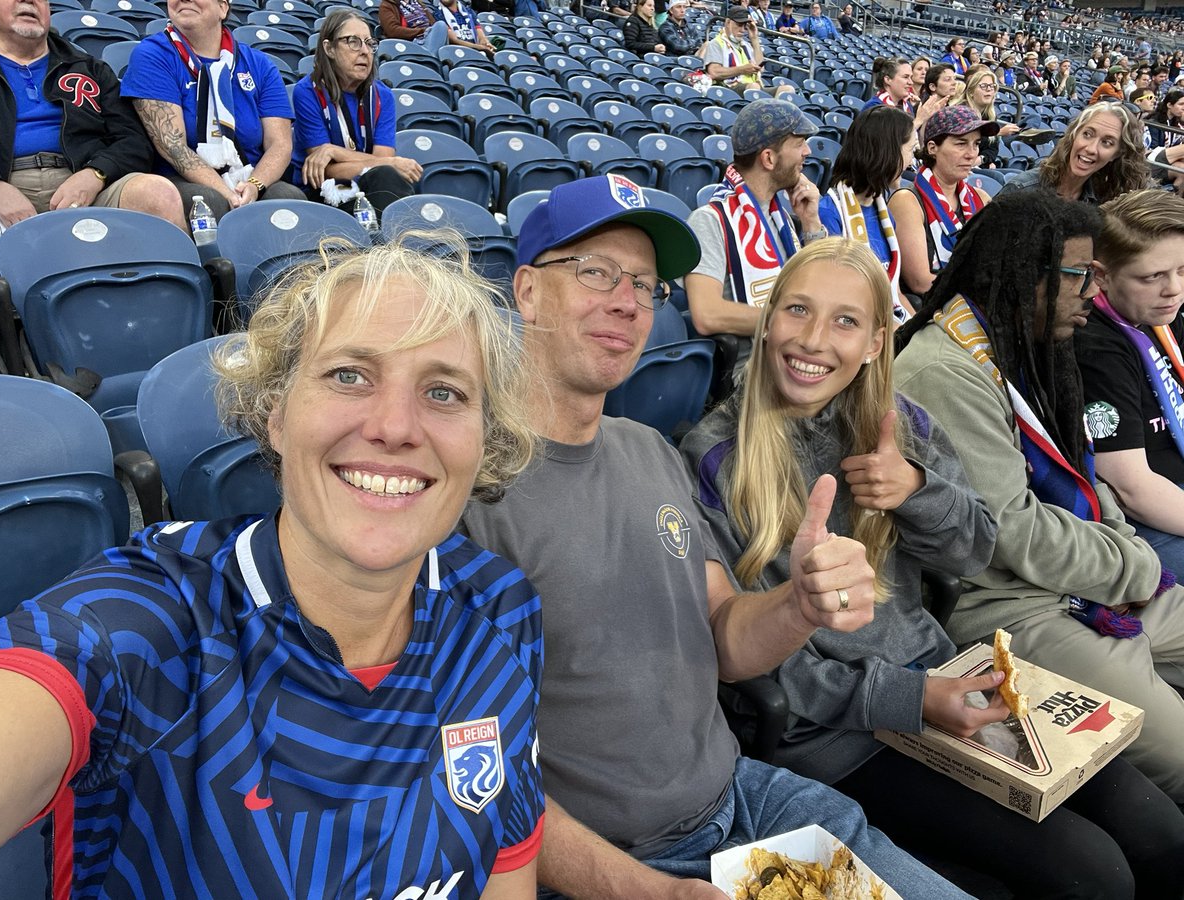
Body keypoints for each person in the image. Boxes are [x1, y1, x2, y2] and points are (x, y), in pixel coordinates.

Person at [460, 175, 972, 900]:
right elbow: (475, 778)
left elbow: (726, 636)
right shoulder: (466, 488)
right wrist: (654, 891)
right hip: (612, 862)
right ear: (527, 290)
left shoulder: (648, 452)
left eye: (644, 285)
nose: (626, 302)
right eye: (595, 272)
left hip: (750, 802)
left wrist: (799, 604)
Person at [0, 238, 545, 896]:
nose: (396, 426)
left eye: (444, 392)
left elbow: (507, 872)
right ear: (276, 414)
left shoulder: (501, 610)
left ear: (484, 439)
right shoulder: (144, 625)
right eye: (348, 376)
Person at [680, 237, 1184, 900]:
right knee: (1092, 875)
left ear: (874, 341)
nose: (813, 340)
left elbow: (971, 551)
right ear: (768, 319)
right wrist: (913, 700)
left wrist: (919, 491)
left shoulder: (899, 424)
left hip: (947, 677)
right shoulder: (710, 458)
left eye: (845, 321)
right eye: (797, 310)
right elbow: (756, 665)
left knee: (1160, 832)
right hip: (840, 736)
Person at [895, 188, 1184, 807]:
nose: (1092, 293)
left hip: (1084, 580)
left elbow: (1088, 481)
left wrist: (1125, 550)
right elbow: (1012, 533)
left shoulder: (1025, 344)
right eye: (1081, 276)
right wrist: (1135, 564)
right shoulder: (943, 374)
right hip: (1012, 610)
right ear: (1027, 277)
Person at [0, 0, 185, 230]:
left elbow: (134, 142)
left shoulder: (90, 69)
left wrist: (96, 173)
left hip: (85, 184)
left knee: (158, 194)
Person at [1077, 190, 1184, 575]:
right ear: (1102, 275)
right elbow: (1132, 489)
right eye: (1152, 276)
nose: (1173, 289)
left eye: (1182, 270)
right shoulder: (1095, 344)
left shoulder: (1161, 313)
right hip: (1143, 520)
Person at [122, 0, 304, 220]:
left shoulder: (259, 64)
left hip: (248, 175)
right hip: (182, 179)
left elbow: (280, 144)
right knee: (211, 202)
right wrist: (228, 194)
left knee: (289, 198)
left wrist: (254, 185)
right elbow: (172, 145)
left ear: (223, 8)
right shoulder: (153, 55)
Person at [686, 100, 825, 348]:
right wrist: (794, 321)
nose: (807, 151)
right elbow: (707, 314)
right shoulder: (710, 220)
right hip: (752, 369)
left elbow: (819, 288)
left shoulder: (780, 217)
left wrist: (810, 222)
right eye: (799, 143)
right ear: (769, 159)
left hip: (796, 351)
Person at [290, 11, 421, 217]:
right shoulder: (308, 91)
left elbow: (381, 164)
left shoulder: (382, 96)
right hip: (325, 191)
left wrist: (334, 151)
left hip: (370, 185)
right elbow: (324, 171)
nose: (365, 52)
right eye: (353, 42)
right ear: (329, 48)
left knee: (387, 177)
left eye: (369, 43)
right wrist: (388, 163)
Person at [818, 106, 914, 321]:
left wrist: (919, 330)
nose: (912, 162)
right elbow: (838, 300)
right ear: (887, 151)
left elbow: (894, 293)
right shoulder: (828, 213)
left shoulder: (883, 212)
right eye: (910, 150)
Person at [889, 105, 996, 297]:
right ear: (932, 148)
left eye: (976, 144)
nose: (971, 154)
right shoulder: (907, 202)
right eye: (961, 144)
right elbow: (920, 282)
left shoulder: (981, 198)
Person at [1003, 104, 1149, 204]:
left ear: (1116, 154)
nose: (1091, 149)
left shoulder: (1101, 202)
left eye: (1107, 142)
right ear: (1074, 135)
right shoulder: (1022, 189)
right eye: (1087, 134)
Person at [952, 68, 1019, 168]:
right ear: (971, 91)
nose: (989, 89)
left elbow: (993, 149)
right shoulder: (960, 112)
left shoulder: (990, 115)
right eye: (983, 86)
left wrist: (983, 159)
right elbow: (965, 142)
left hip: (978, 164)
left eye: (992, 86)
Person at [702, 6, 763, 93]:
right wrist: (742, 69)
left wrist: (754, 39)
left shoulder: (746, 45)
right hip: (728, 88)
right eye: (739, 25)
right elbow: (714, 72)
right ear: (728, 22)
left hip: (752, 86)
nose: (742, 30)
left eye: (745, 26)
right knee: (754, 87)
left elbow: (760, 68)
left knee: (786, 89)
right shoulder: (716, 43)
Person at [378, 0, 450, 51]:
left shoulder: (418, 3)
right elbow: (392, 30)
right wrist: (423, 31)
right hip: (411, 42)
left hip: (429, 37)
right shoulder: (386, 5)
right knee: (441, 25)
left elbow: (433, 24)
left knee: (441, 26)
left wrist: (430, 32)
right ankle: (431, 58)